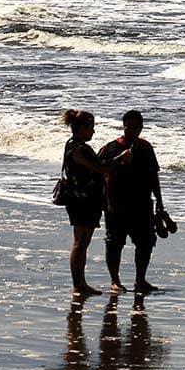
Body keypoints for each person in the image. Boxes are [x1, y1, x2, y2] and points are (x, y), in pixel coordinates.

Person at [61, 108, 131, 295]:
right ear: (82, 128)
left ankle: (80, 283)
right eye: (91, 128)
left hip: (80, 199)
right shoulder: (80, 148)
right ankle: (79, 284)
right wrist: (120, 158)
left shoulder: (71, 145)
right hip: (83, 201)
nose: (93, 132)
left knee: (81, 242)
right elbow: (100, 168)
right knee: (81, 242)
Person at [99, 109, 165, 294]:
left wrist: (160, 202)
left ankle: (140, 280)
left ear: (141, 128)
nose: (133, 131)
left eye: (137, 127)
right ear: (124, 127)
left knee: (146, 243)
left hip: (143, 204)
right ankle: (115, 281)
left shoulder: (146, 148)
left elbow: (154, 176)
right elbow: (100, 171)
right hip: (116, 205)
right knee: (114, 243)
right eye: (129, 127)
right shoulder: (112, 148)